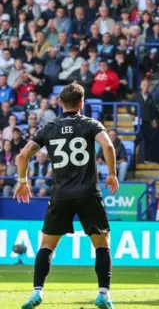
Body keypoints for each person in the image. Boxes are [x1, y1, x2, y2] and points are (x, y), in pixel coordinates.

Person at [13, 83, 119, 309]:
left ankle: (37, 292)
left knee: (47, 246)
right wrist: (111, 174)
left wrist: (22, 181)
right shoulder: (91, 124)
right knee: (102, 245)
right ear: (82, 103)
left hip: (60, 195)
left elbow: (23, 155)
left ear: (60, 103)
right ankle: (103, 294)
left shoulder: (48, 127)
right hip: (89, 193)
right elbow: (108, 146)